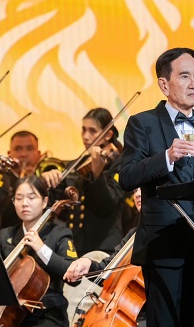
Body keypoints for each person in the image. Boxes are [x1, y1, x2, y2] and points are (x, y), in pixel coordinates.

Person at [119, 47, 194, 327]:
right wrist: (167, 157)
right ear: (164, 84)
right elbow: (126, 176)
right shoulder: (143, 124)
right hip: (164, 246)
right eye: (184, 76)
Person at [63, 187, 145, 327]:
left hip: (145, 311)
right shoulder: (133, 234)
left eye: (144, 188)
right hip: (119, 308)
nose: (138, 194)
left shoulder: (160, 233)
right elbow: (107, 271)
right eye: (135, 189)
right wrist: (88, 265)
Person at [0, 175, 76, 327]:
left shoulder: (59, 234)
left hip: (49, 319)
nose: (24, 203)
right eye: (19, 198)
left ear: (45, 201)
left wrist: (41, 248)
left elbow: (72, 274)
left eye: (31, 197)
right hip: (12, 316)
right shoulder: (6, 235)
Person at [42, 108, 131, 256]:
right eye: (83, 130)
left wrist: (97, 174)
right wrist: (48, 180)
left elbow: (108, 204)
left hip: (104, 247)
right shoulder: (78, 163)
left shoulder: (120, 163)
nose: (85, 136)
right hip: (74, 244)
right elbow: (58, 202)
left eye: (92, 131)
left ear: (108, 135)